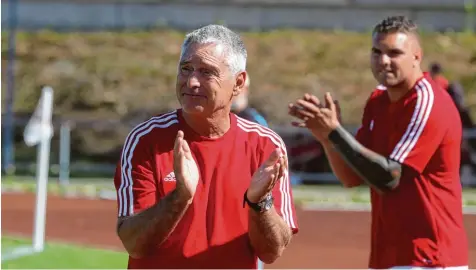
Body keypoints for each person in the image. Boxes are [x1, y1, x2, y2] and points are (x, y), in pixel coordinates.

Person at [289, 15, 468, 269]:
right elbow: (352, 177)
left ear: (417, 56)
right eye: (377, 52)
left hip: (429, 255)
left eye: (394, 53)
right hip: (388, 254)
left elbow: (389, 177)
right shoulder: (377, 100)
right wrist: (327, 138)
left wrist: (336, 132)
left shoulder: (428, 102)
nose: (383, 61)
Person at [113, 24, 298, 269]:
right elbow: (135, 244)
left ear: (239, 82)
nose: (191, 81)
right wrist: (180, 196)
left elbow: (272, 252)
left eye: (206, 72)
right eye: (186, 69)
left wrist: (259, 202)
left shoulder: (265, 146)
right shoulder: (147, 139)